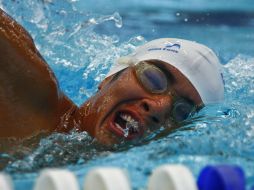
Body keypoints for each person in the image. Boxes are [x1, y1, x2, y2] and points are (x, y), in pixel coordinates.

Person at [0, 8, 224, 146]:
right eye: (154, 79)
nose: (159, 106)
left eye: (182, 111)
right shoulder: (30, 93)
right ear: (110, 77)